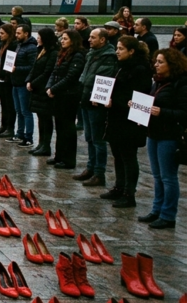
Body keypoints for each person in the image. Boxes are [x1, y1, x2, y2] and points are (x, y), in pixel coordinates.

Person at [137, 48, 187, 229]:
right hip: (154, 132)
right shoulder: (157, 82)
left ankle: (168, 214)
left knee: (168, 177)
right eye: (155, 61)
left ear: (171, 64)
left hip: (170, 135)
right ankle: (156, 209)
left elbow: (183, 112)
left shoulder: (180, 84)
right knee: (157, 176)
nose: (156, 65)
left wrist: (162, 112)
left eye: (160, 62)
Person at [101, 36, 153, 208]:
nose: (117, 51)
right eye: (117, 48)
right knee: (117, 154)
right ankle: (119, 186)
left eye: (121, 48)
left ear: (131, 51)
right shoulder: (121, 66)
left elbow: (136, 96)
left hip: (129, 120)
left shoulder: (140, 69)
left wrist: (115, 100)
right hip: (116, 117)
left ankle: (129, 193)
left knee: (128, 156)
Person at [75, 28, 118, 186]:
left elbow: (103, 78)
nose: (90, 40)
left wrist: (96, 95)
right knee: (89, 137)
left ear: (103, 40)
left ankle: (99, 172)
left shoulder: (108, 56)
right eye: (90, 37)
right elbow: (85, 75)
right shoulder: (91, 53)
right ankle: (90, 167)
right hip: (86, 98)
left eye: (93, 38)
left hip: (96, 101)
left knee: (98, 139)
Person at [45, 30, 87, 170]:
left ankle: (68, 159)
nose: (62, 41)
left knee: (67, 127)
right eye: (61, 39)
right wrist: (49, 87)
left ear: (73, 40)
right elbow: (55, 72)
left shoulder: (78, 55)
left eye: (65, 39)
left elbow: (71, 77)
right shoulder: (62, 54)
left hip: (69, 95)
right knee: (60, 126)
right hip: (59, 94)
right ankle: (59, 155)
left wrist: (54, 89)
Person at [26, 29, 60, 157]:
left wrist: (33, 83)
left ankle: (46, 145)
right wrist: (29, 80)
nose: (37, 39)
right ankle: (41, 143)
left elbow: (47, 72)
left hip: (43, 88)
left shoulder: (53, 53)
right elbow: (34, 67)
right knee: (41, 118)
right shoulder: (40, 50)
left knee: (46, 118)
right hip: (36, 88)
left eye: (39, 37)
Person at [9, 25, 38, 147]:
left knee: (26, 111)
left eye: (19, 33)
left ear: (26, 34)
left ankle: (28, 136)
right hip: (15, 81)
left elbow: (33, 67)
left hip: (23, 82)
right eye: (16, 33)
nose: (16, 35)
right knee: (18, 110)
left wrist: (17, 69)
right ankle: (19, 133)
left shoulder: (31, 48)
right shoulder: (19, 45)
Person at [0, 24, 17, 139]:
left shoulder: (13, 45)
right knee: (3, 103)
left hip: (8, 78)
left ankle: (10, 127)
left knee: (9, 104)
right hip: (1, 76)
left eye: (2, 33)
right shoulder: (3, 44)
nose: (0, 35)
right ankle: (3, 125)